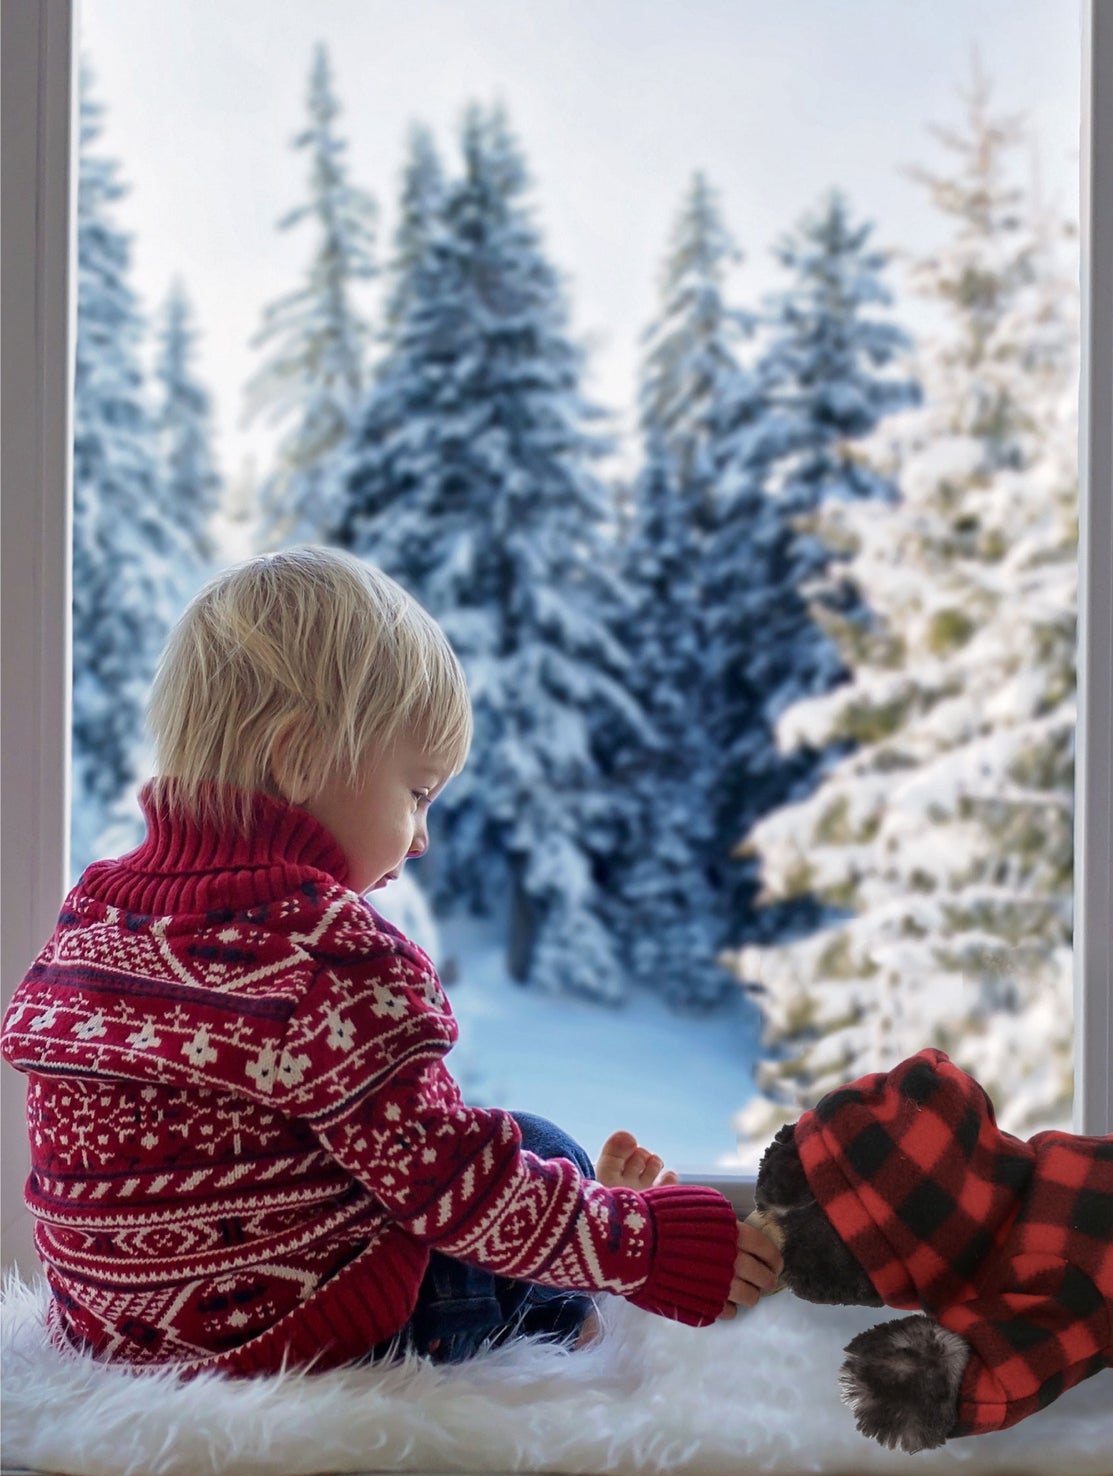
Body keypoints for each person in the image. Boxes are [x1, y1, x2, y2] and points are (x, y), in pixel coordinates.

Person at [1, 546, 780, 1374]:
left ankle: (583, 1239)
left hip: (108, 1332)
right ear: (298, 758)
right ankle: (575, 1308)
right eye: (415, 793)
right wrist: (653, 1248)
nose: (420, 838)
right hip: (303, 1336)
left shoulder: (95, 913)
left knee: (445, 1151)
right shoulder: (332, 955)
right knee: (538, 1146)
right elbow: (455, 1189)